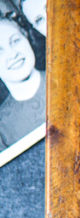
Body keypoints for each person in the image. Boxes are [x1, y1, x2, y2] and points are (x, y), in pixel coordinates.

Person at [0, 14, 46, 151]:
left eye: (15, 41)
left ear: (27, 37)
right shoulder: (3, 128)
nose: (13, 54)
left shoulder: (67, 77)